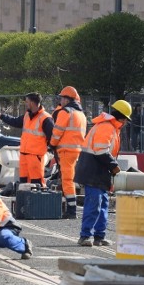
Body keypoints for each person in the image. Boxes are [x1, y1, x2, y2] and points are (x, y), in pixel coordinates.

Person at [74, 99, 132, 247]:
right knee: (94, 204)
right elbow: (101, 151)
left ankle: (99, 236)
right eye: (126, 119)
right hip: (93, 170)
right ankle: (85, 235)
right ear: (122, 118)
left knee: (103, 204)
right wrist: (114, 166)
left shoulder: (110, 127)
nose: (126, 122)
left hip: (97, 170)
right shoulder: (107, 127)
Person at [0, 92, 53, 186]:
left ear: (32, 103)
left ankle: (38, 201)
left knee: (36, 184)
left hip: (35, 157)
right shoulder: (27, 116)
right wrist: (1, 116)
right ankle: (25, 200)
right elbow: (15, 121)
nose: (26, 104)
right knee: (24, 184)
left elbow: (52, 137)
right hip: (24, 156)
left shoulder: (45, 118)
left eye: (27, 102)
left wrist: (47, 149)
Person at [50, 85, 87, 219]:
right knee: (70, 179)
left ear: (68, 99)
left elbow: (57, 131)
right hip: (76, 150)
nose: (61, 101)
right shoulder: (81, 114)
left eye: (62, 98)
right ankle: (71, 207)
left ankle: (71, 210)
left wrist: (52, 144)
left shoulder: (66, 112)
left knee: (67, 180)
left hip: (66, 151)